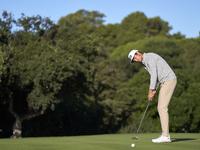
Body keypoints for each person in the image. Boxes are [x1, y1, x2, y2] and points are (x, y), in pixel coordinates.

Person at [128, 50, 177, 143]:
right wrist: (154, 89)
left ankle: (165, 136)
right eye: (134, 60)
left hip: (168, 80)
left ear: (138, 53)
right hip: (165, 81)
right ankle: (165, 135)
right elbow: (157, 75)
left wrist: (150, 91)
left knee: (162, 108)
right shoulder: (145, 62)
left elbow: (154, 75)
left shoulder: (149, 58)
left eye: (135, 57)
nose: (136, 60)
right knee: (161, 107)